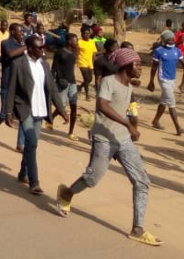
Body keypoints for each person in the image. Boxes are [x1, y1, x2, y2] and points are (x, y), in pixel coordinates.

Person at [56, 48, 161, 246]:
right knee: (92, 178)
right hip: (103, 138)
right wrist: (128, 125)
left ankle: (137, 229)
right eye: (138, 65)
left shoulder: (128, 86)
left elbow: (129, 108)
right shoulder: (108, 81)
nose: (141, 68)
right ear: (126, 66)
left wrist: (132, 126)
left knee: (142, 181)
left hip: (123, 140)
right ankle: (67, 193)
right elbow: (102, 105)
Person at [3, 34, 68, 195]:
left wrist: (61, 109)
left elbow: (52, 88)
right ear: (30, 48)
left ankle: (23, 173)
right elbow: (11, 89)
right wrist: (8, 112)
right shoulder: (18, 64)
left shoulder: (45, 65)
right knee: (31, 142)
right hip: (25, 110)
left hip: (41, 110)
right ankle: (34, 182)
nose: (43, 49)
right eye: (40, 47)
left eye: (43, 47)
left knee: (33, 145)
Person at [147, 30, 184, 135]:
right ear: (164, 41)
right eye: (169, 39)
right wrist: (151, 81)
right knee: (171, 103)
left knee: (164, 101)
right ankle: (178, 128)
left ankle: (155, 121)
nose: (172, 41)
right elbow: (154, 67)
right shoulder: (158, 51)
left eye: (173, 39)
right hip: (163, 79)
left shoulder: (177, 51)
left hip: (172, 79)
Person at [0, 22, 26, 145]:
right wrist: (26, 47)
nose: (22, 33)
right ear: (13, 32)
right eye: (20, 31)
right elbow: (11, 54)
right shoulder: (6, 43)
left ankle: (20, 144)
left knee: (23, 114)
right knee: (3, 113)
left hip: (19, 84)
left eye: (23, 31)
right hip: (7, 83)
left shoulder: (21, 44)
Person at [49, 32, 80, 141]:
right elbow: (54, 68)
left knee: (74, 107)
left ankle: (70, 132)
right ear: (69, 41)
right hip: (62, 82)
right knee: (60, 106)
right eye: (75, 40)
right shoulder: (60, 52)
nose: (77, 42)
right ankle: (51, 118)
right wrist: (53, 81)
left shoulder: (74, 52)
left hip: (72, 82)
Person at [77, 25, 97, 101]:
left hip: (90, 62)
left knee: (90, 79)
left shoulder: (92, 42)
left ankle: (79, 87)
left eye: (88, 33)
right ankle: (87, 95)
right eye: (85, 33)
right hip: (82, 62)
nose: (87, 35)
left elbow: (94, 53)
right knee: (86, 78)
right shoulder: (79, 42)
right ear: (82, 34)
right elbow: (76, 52)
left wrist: (94, 63)